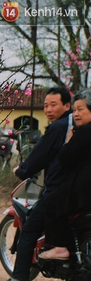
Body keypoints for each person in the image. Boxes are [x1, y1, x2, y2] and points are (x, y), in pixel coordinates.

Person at [0, 87, 72, 281]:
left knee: (29, 230)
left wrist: (23, 170)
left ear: (67, 106)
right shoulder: (78, 126)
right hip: (78, 191)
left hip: (57, 190)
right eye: (46, 105)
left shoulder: (58, 127)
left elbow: (40, 155)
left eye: (53, 105)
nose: (48, 109)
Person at [38, 88, 91, 260]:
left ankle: (60, 247)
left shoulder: (84, 132)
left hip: (83, 188)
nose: (76, 114)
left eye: (80, 109)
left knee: (52, 201)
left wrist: (68, 142)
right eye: (74, 110)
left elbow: (65, 159)